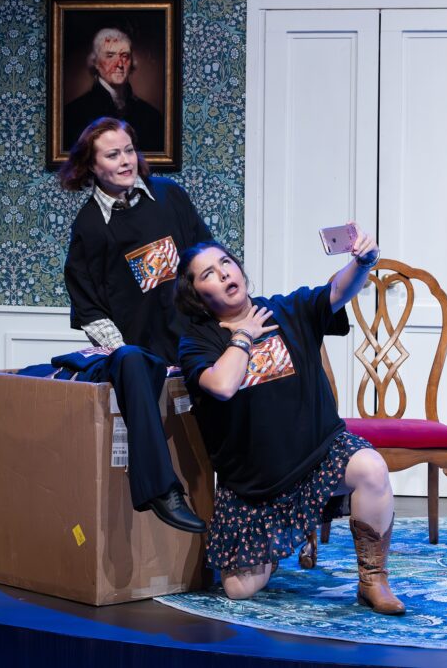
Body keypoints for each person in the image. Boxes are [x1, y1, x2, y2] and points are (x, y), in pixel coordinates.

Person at [174, 235, 406, 615]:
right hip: (255, 486)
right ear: (197, 295)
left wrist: (364, 262)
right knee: (238, 590)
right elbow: (223, 385)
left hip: (318, 456)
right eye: (208, 274)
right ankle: (277, 542)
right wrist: (244, 335)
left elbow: (336, 291)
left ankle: (373, 580)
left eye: (226, 263)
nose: (224, 274)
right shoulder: (197, 342)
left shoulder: (288, 309)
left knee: (371, 468)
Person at [58, 117, 212, 533]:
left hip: (196, 336)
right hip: (144, 352)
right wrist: (124, 350)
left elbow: (208, 256)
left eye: (129, 150)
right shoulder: (90, 226)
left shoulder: (168, 195)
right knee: (130, 361)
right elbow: (89, 308)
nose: (126, 160)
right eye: (113, 155)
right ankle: (162, 491)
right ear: (91, 166)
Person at [63, 28, 164, 153]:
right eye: (110, 56)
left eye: (125, 56)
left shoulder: (152, 116)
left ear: (132, 63)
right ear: (96, 62)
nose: (119, 64)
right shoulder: (72, 114)